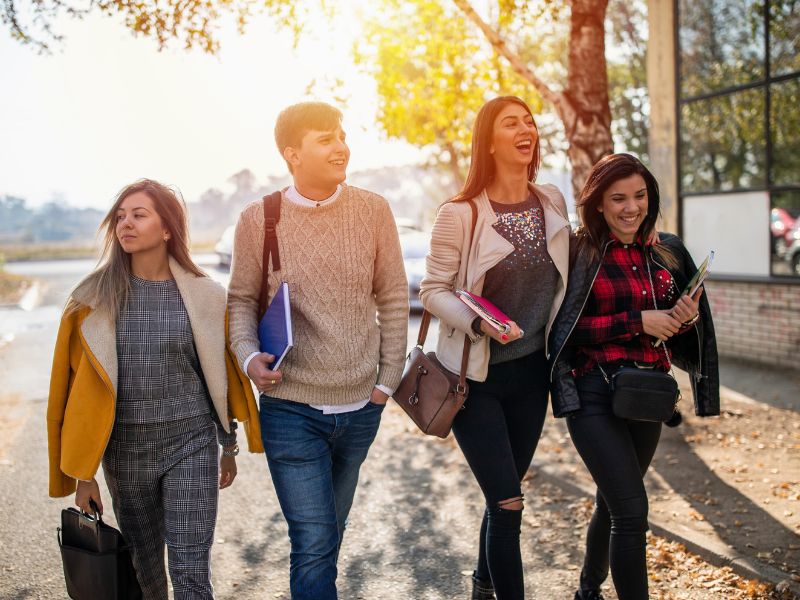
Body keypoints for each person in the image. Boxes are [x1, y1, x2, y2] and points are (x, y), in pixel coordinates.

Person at [227, 101, 408, 600]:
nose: (341, 146)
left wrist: (387, 379)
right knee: (313, 541)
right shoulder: (258, 219)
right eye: (325, 138)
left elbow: (393, 296)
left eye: (342, 135)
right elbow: (241, 300)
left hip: (361, 406)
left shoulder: (373, 210)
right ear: (291, 153)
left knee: (327, 538)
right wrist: (248, 358)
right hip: (290, 408)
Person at [47, 179, 261, 599]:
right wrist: (83, 477)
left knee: (190, 571)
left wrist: (228, 446)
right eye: (120, 216)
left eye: (139, 215)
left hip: (191, 442)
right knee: (147, 577)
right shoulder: (88, 302)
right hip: (124, 455)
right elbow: (68, 393)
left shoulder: (206, 297)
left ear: (167, 230)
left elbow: (223, 378)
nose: (126, 223)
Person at [548, 153, 720, 600]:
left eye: (640, 196)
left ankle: (588, 590)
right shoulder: (579, 251)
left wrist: (681, 318)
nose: (631, 207)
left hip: (646, 391)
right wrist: (636, 320)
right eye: (618, 198)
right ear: (599, 204)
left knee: (613, 502)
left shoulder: (664, 251)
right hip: (592, 392)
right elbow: (564, 332)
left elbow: (673, 327)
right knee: (631, 510)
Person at [419, 95, 571, 600]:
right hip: (473, 379)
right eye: (511, 123)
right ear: (488, 140)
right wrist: (480, 323)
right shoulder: (460, 214)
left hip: (531, 377)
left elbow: (579, 255)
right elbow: (432, 290)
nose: (525, 128)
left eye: (529, 121)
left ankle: (483, 582)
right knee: (509, 504)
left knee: (501, 494)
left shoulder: (550, 200)